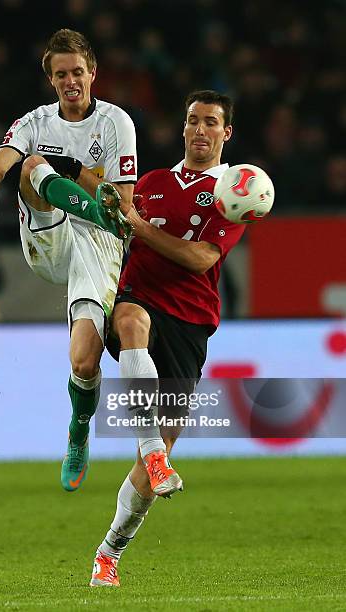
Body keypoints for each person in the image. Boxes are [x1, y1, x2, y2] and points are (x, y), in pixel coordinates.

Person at [0, 29, 138, 491]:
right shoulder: (37, 122)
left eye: (78, 72)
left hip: (98, 243)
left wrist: (74, 171)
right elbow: (3, 157)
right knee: (31, 165)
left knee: (84, 362)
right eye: (61, 74)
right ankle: (54, 188)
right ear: (51, 79)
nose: (71, 81)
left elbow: (121, 203)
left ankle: (78, 432)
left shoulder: (116, 123)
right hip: (49, 238)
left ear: (93, 74)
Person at [89, 90, 246, 587]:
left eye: (211, 123)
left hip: (190, 319)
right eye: (193, 121)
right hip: (139, 296)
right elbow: (117, 221)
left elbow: (201, 259)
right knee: (130, 320)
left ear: (226, 134)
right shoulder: (152, 182)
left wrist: (137, 225)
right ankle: (153, 450)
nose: (200, 130)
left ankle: (108, 552)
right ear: (183, 129)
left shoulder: (233, 193)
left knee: (160, 451)